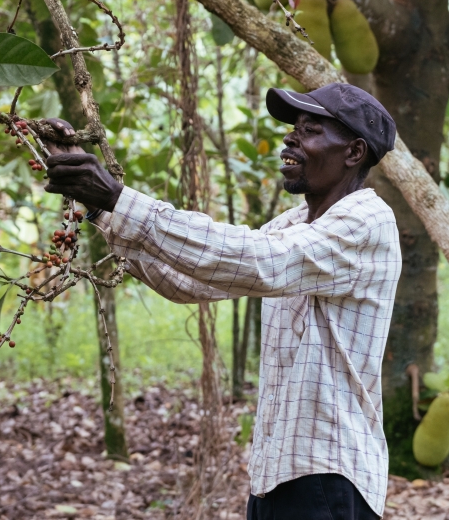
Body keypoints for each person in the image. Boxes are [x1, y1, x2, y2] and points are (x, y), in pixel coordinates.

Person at [44, 83, 402, 520]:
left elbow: (257, 261)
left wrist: (119, 198)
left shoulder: (367, 220)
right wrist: (100, 208)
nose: (290, 137)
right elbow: (188, 282)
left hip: (327, 475)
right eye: (294, 128)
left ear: (353, 152)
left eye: (309, 130)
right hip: (279, 475)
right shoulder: (296, 223)